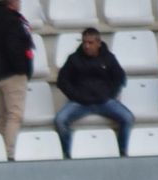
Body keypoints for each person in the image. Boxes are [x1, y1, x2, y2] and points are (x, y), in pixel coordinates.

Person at [54, 28, 133, 157]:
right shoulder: (74, 59)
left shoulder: (108, 58)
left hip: (104, 102)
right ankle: (68, 153)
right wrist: (75, 95)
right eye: (84, 42)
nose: (86, 46)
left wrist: (109, 94)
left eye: (90, 43)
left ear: (98, 43)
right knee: (60, 120)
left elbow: (120, 78)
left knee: (128, 118)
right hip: (79, 103)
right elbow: (62, 81)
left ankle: (122, 152)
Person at [0, 0, 34, 159]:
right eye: (19, 0)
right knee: (15, 116)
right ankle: (8, 153)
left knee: (4, 116)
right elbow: (15, 48)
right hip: (12, 74)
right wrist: (24, 69)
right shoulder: (12, 21)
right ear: (13, 2)